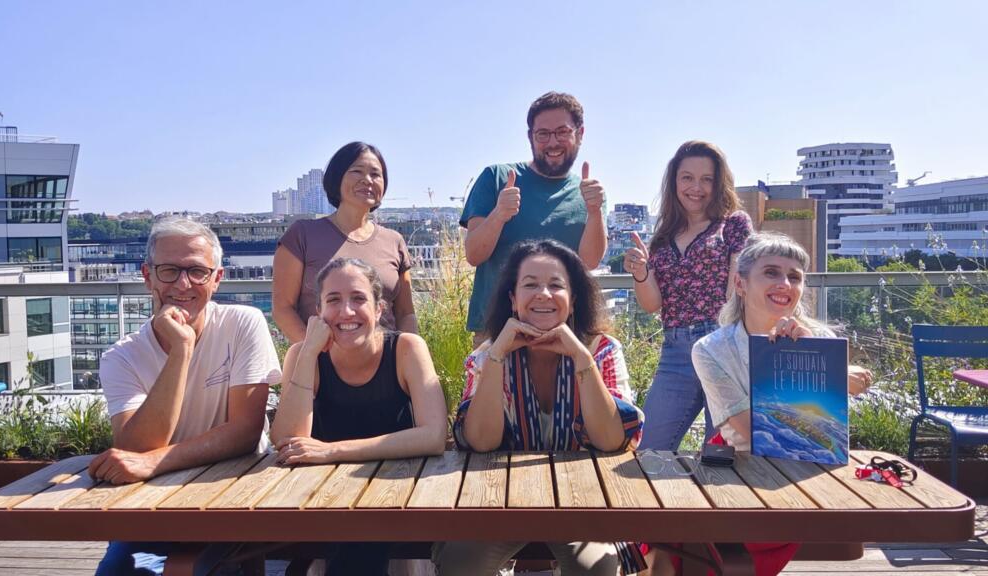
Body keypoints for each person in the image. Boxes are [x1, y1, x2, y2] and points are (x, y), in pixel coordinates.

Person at [666, 232, 874, 576]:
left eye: (794, 276)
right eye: (772, 272)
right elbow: (748, 428)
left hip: (807, 467)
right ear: (740, 283)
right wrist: (827, 378)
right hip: (739, 463)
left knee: (708, 542)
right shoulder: (711, 348)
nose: (785, 283)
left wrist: (812, 357)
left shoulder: (819, 340)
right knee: (672, 530)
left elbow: (825, 430)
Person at [434, 240, 645, 576]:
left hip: (582, 502)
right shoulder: (487, 355)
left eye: (556, 285)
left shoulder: (601, 351)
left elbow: (611, 441)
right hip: (499, 502)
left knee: (595, 568)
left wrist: (580, 358)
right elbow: (481, 441)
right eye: (530, 285)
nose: (543, 294)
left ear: (573, 300)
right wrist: (497, 357)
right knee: (461, 562)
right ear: (513, 300)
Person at [90, 217, 281, 575]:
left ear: (217, 279)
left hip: (233, 495)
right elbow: (136, 448)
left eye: (197, 271)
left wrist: (152, 463)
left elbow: (245, 432)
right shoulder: (121, 357)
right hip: (153, 506)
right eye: (168, 271)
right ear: (148, 276)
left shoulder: (244, 323)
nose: (182, 284)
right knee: (127, 570)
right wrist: (181, 351)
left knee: (188, 568)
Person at [271, 257, 447, 575]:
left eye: (358, 299)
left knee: (364, 525)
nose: (347, 312)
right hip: (322, 497)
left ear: (379, 309)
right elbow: (287, 439)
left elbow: (434, 436)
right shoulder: (302, 355)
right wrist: (309, 352)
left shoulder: (406, 349)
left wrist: (332, 451)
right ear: (319, 313)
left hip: (397, 489)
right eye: (333, 301)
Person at [624, 140, 752, 450]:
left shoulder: (733, 224)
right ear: (674, 182)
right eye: (687, 177)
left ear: (719, 183)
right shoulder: (662, 237)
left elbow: (738, 290)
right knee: (649, 450)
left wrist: (726, 344)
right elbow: (653, 304)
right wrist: (641, 271)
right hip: (675, 351)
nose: (697, 187)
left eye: (707, 179)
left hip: (722, 347)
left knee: (723, 457)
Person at [461, 92, 608, 339]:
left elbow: (590, 262)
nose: (553, 143)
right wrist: (499, 215)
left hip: (566, 333)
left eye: (563, 132)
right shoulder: (496, 178)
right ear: (530, 136)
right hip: (497, 331)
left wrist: (594, 211)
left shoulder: (588, 192)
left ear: (580, 134)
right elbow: (474, 254)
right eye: (543, 134)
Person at [273, 141, 416, 342]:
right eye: (357, 171)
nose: (367, 180)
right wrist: (311, 354)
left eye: (375, 174)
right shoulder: (302, 234)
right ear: (337, 177)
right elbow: (283, 309)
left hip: (387, 363)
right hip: (321, 364)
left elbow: (405, 313)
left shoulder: (394, 241)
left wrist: (408, 356)